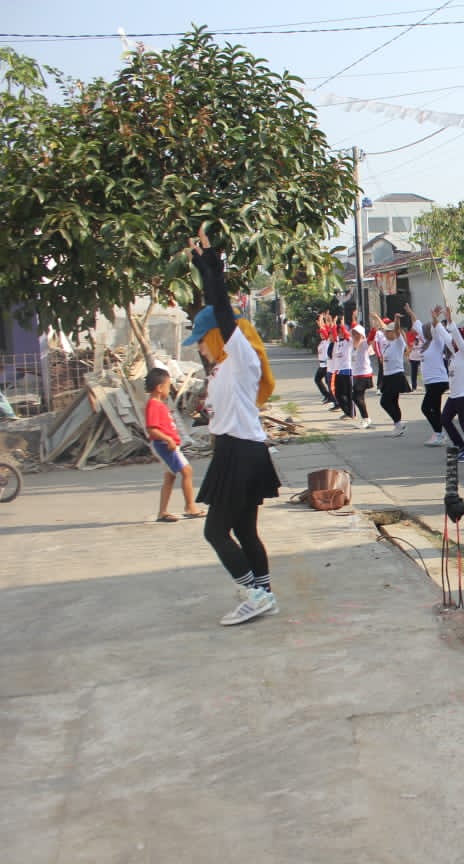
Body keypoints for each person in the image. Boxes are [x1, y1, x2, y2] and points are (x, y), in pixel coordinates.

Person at [184, 226, 281, 626]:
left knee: (215, 531)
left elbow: (224, 311)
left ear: (215, 335)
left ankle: (252, 593)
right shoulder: (224, 367)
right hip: (240, 449)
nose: (200, 347)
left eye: (201, 339)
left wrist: (210, 268)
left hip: (240, 451)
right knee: (244, 530)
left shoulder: (240, 353)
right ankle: (265, 594)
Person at [144, 367, 205, 523]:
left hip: (165, 444)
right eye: (167, 386)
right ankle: (190, 507)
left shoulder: (159, 404)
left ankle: (162, 512)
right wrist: (168, 439)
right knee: (187, 471)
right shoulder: (153, 405)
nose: (168, 390)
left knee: (170, 476)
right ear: (159, 388)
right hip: (164, 445)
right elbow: (151, 428)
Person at [438, 313, 464, 463]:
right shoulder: (455, 353)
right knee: (445, 420)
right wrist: (436, 322)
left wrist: (451, 321)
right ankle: (460, 446)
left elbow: (457, 338)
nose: (453, 341)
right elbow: (446, 335)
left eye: (457, 339)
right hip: (454, 395)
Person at [418, 306, 451, 447]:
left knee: (425, 407)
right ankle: (439, 434)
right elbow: (418, 326)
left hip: (438, 380)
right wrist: (411, 313)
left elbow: (434, 329)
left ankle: (440, 433)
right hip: (430, 382)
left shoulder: (437, 342)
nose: (424, 332)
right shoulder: (426, 343)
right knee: (435, 409)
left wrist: (434, 318)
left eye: (427, 330)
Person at [373, 313, 411, 436]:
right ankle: (398, 426)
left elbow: (397, 330)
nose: (385, 333)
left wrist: (396, 320)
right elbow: (383, 327)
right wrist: (377, 319)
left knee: (384, 401)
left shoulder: (398, 343)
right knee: (393, 402)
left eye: (389, 332)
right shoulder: (387, 343)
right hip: (388, 376)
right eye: (385, 332)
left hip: (396, 375)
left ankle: (398, 423)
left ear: (394, 333)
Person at [349, 311, 374, 429]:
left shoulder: (364, 344)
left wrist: (375, 321)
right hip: (356, 375)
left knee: (356, 397)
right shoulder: (352, 345)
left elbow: (372, 336)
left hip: (364, 374)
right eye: (353, 333)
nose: (354, 335)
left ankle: (366, 418)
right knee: (358, 397)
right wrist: (353, 318)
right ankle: (366, 418)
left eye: (357, 334)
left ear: (361, 335)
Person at [313, 313, 337, 409]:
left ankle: (334, 399)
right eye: (320, 333)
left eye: (322, 333)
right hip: (322, 365)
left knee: (329, 383)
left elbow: (327, 329)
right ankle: (328, 396)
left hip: (326, 366)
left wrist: (322, 321)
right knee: (318, 380)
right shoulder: (322, 342)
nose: (321, 334)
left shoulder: (327, 340)